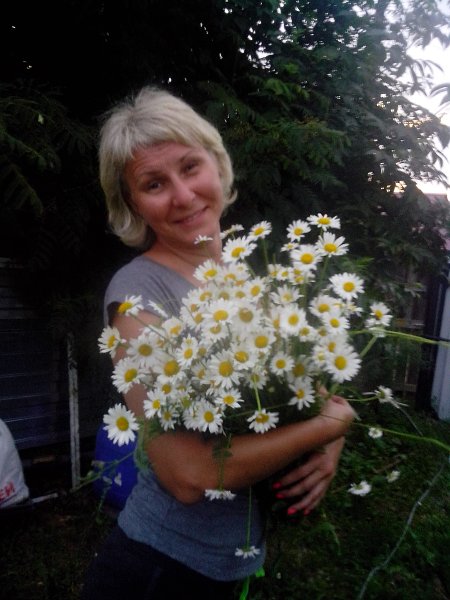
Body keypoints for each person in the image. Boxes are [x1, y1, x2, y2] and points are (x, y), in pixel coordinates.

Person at [81, 86, 355, 599]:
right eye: (154, 183)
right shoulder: (136, 297)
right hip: (161, 570)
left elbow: (312, 396)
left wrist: (331, 436)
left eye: (190, 167)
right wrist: (329, 425)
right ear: (133, 204)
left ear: (217, 162)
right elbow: (186, 474)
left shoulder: (250, 280)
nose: (183, 196)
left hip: (233, 566)